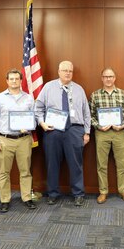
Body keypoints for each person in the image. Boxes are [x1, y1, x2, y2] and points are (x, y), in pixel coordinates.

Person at [35, 60, 91, 207]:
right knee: (52, 163)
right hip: (53, 131)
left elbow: (86, 112)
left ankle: (78, 193)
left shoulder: (79, 89)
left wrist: (87, 132)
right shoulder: (48, 87)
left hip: (74, 130)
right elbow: (38, 108)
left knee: (76, 164)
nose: (67, 73)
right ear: (58, 71)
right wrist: (42, 123)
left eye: (70, 71)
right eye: (64, 70)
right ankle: (53, 193)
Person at [0, 69, 37, 213]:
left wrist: (28, 126)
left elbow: (34, 119)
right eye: (11, 79)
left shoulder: (28, 98)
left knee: (25, 171)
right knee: (3, 172)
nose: (14, 81)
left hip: (23, 140)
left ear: (21, 81)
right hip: (5, 140)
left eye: (17, 79)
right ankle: (4, 200)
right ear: (7, 81)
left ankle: (27, 197)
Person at [90, 68, 124, 204]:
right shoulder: (95, 95)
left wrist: (123, 125)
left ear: (115, 78)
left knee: (122, 164)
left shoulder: (122, 94)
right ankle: (103, 192)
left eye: (111, 76)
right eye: (105, 76)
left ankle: (123, 190)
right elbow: (90, 116)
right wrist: (98, 126)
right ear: (102, 78)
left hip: (119, 132)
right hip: (101, 133)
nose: (108, 79)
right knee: (101, 164)